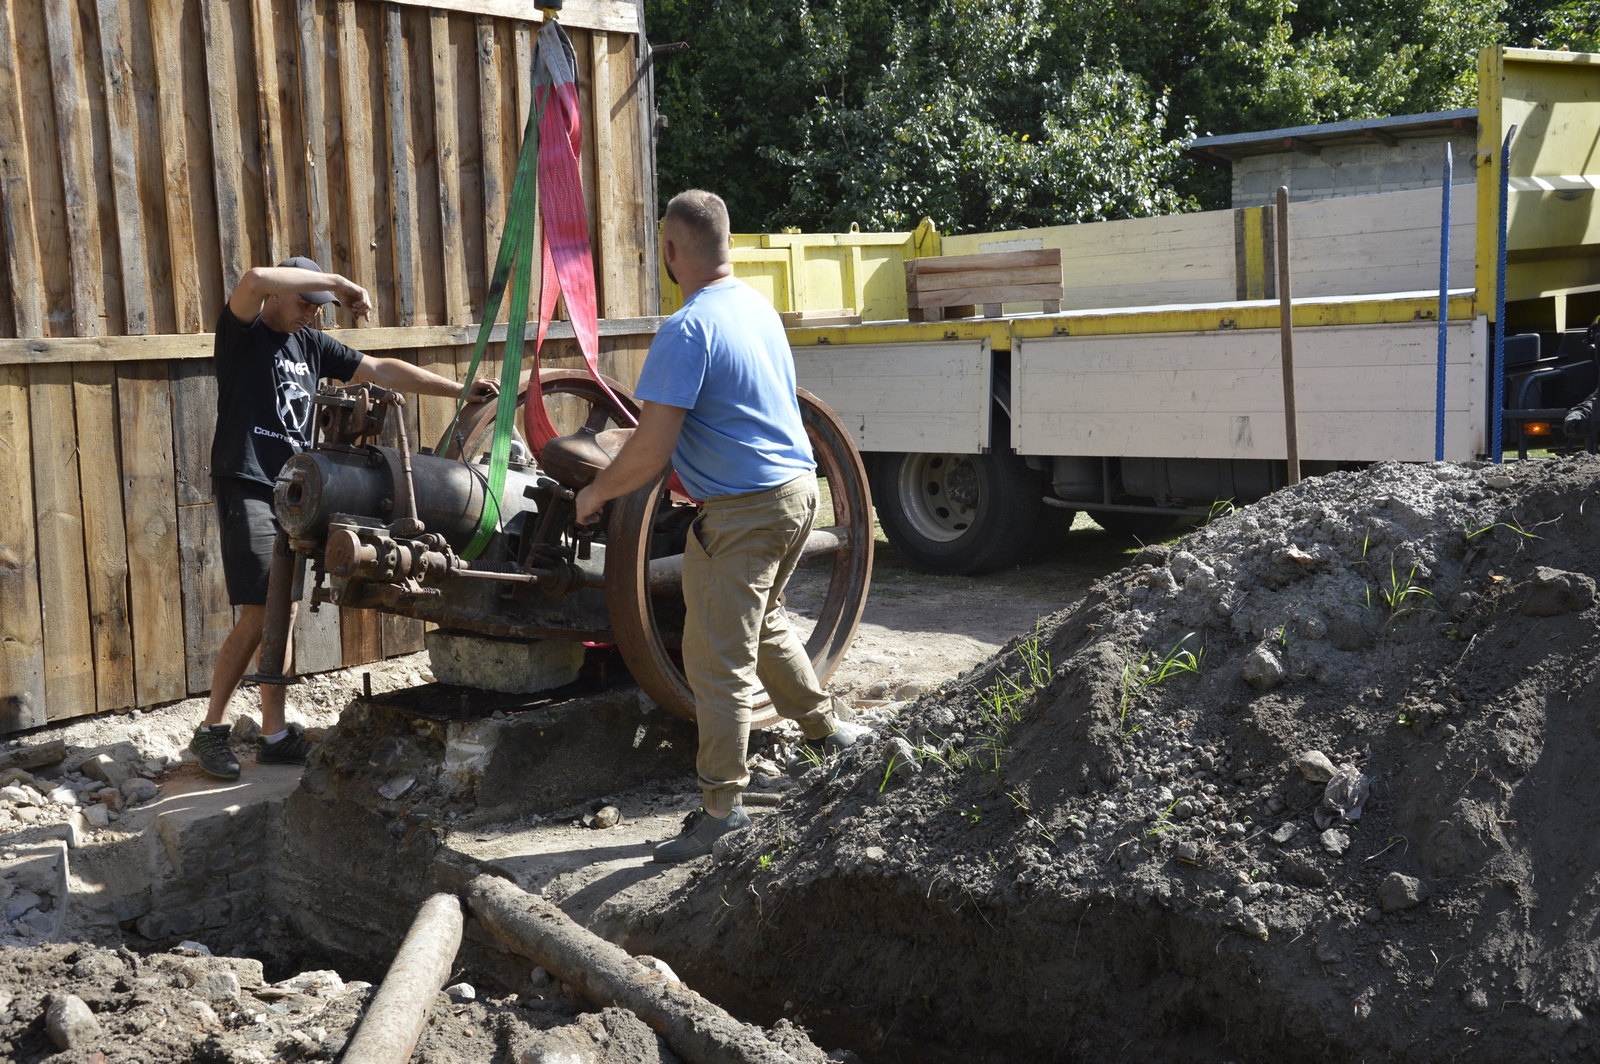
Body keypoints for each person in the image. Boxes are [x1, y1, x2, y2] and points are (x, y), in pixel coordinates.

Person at [574, 191, 866, 863]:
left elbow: (649, 451)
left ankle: (721, 811)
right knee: (762, 624)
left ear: (671, 251)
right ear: (727, 243)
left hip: (744, 513)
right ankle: (826, 733)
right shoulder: (755, 308)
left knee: (716, 659)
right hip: (799, 495)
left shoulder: (687, 329)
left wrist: (596, 492)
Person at [190, 258, 498, 780]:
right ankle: (211, 730)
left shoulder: (311, 345)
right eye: (305, 301)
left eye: (319, 307)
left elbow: (381, 371)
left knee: (284, 612)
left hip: (296, 490)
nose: (312, 313)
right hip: (248, 484)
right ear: (279, 295)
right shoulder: (242, 334)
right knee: (259, 612)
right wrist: (336, 282)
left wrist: (458, 389)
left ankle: (274, 735)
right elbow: (253, 280)